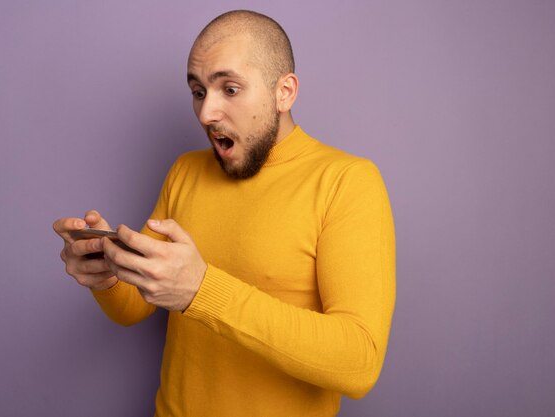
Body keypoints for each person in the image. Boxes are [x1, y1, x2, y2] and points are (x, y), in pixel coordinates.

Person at [53, 10, 395, 417]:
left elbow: (359, 363)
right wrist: (107, 273)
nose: (205, 114)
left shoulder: (347, 182)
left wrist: (202, 291)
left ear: (284, 92)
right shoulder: (185, 170)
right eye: (198, 91)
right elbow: (134, 307)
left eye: (229, 89)